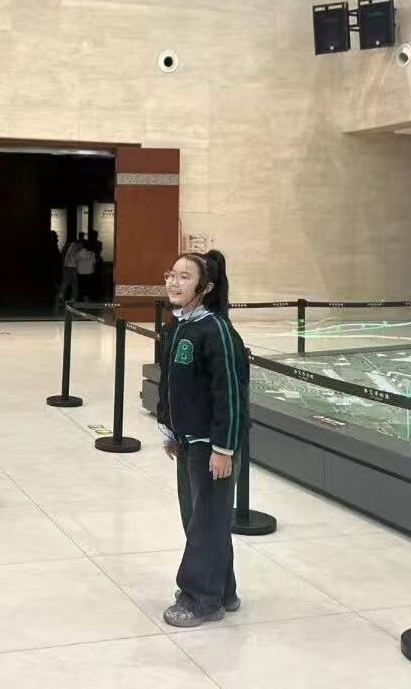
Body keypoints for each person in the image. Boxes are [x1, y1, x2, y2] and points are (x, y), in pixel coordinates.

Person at [156, 249, 248, 629]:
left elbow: (230, 394)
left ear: (204, 287)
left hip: (212, 446)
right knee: (200, 519)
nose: (174, 282)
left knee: (206, 522)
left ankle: (200, 599)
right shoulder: (178, 326)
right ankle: (223, 590)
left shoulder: (216, 330)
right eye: (171, 274)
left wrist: (224, 448)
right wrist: (169, 428)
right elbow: (171, 383)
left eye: (184, 277)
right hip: (187, 442)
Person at [57, 232, 85, 306]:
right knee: (74, 283)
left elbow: (63, 255)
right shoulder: (79, 245)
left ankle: (61, 297)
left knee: (65, 282)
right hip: (73, 266)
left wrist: (62, 265)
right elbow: (78, 257)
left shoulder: (68, 245)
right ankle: (72, 298)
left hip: (66, 266)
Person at [75, 231, 97, 301]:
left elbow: (76, 261)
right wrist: (93, 270)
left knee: (81, 285)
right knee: (88, 285)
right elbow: (94, 262)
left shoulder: (78, 253)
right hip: (89, 272)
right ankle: (87, 298)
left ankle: (82, 298)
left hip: (80, 272)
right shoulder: (92, 253)